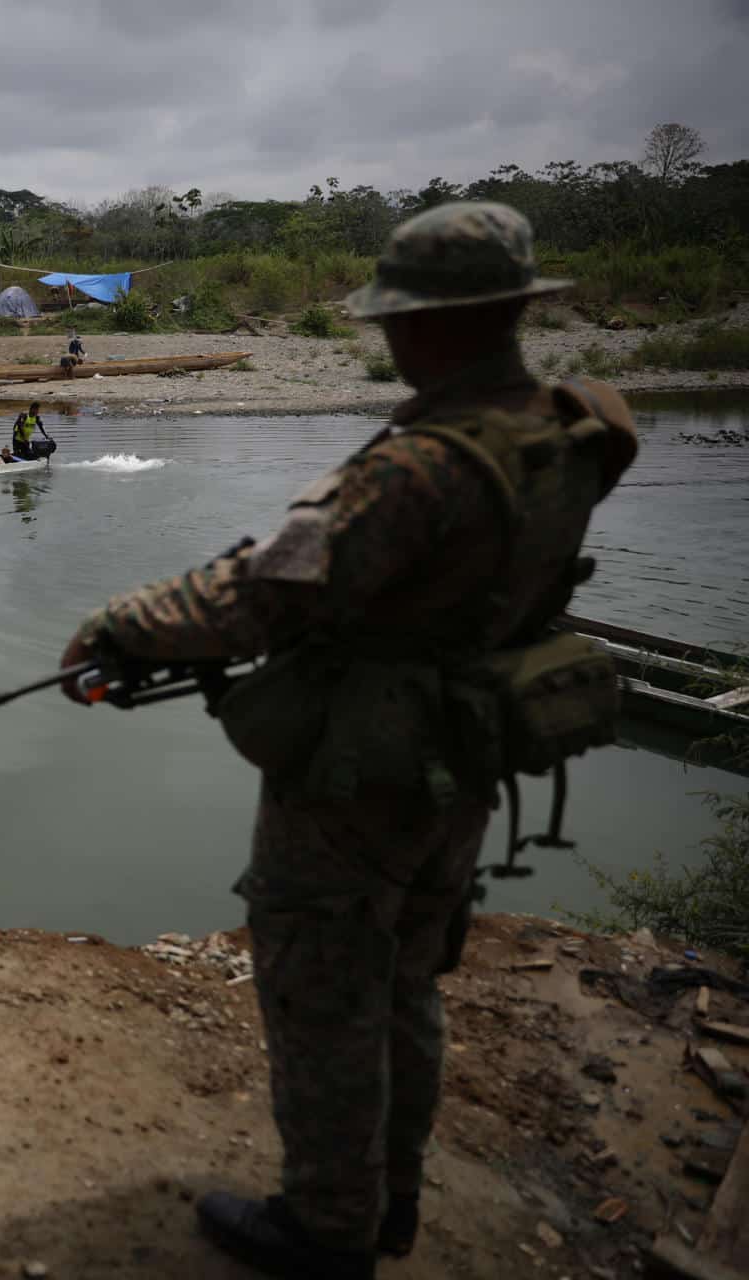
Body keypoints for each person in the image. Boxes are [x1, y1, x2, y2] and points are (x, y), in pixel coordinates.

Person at [55, 202, 635, 1280]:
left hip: (365, 764)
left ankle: (326, 1226)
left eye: (400, 321)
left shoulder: (420, 464)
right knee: (409, 977)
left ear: (436, 325)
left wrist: (122, 622)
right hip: (470, 748)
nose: (390, 340)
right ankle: (392, 1196)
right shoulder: (568, 427)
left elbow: (264, 592)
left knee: (325, 988)